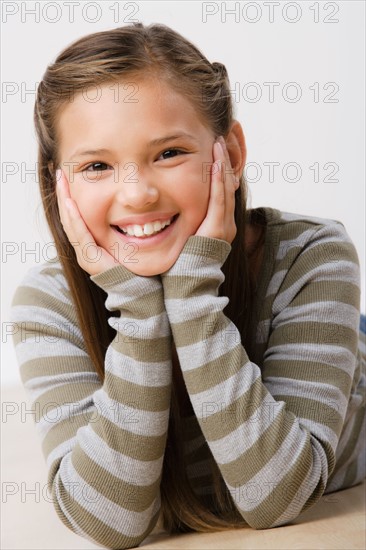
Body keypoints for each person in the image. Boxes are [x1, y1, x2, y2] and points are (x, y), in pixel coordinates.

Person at [11, 22, 365, 550]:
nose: (137, 194)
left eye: (169, 153)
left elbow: (277, 496)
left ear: (232, 153)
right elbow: (111, 523)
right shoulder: (46, 303)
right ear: (55, 182)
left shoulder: (312, 257)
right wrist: (136, 306)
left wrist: (193, 291)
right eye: (97, 166)